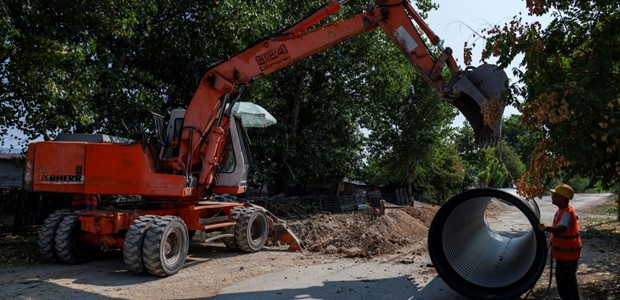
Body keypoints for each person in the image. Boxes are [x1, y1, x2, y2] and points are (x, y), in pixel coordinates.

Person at [538, 183, 582, 300]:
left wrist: (545, 228)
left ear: (562, 198)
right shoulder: (562, 211)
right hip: (564, 256)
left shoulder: (567, 213)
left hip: (568, 256)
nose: (552, 197)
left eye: (555, 195)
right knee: (563, 284)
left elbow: (561, 229)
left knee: (568, 285)